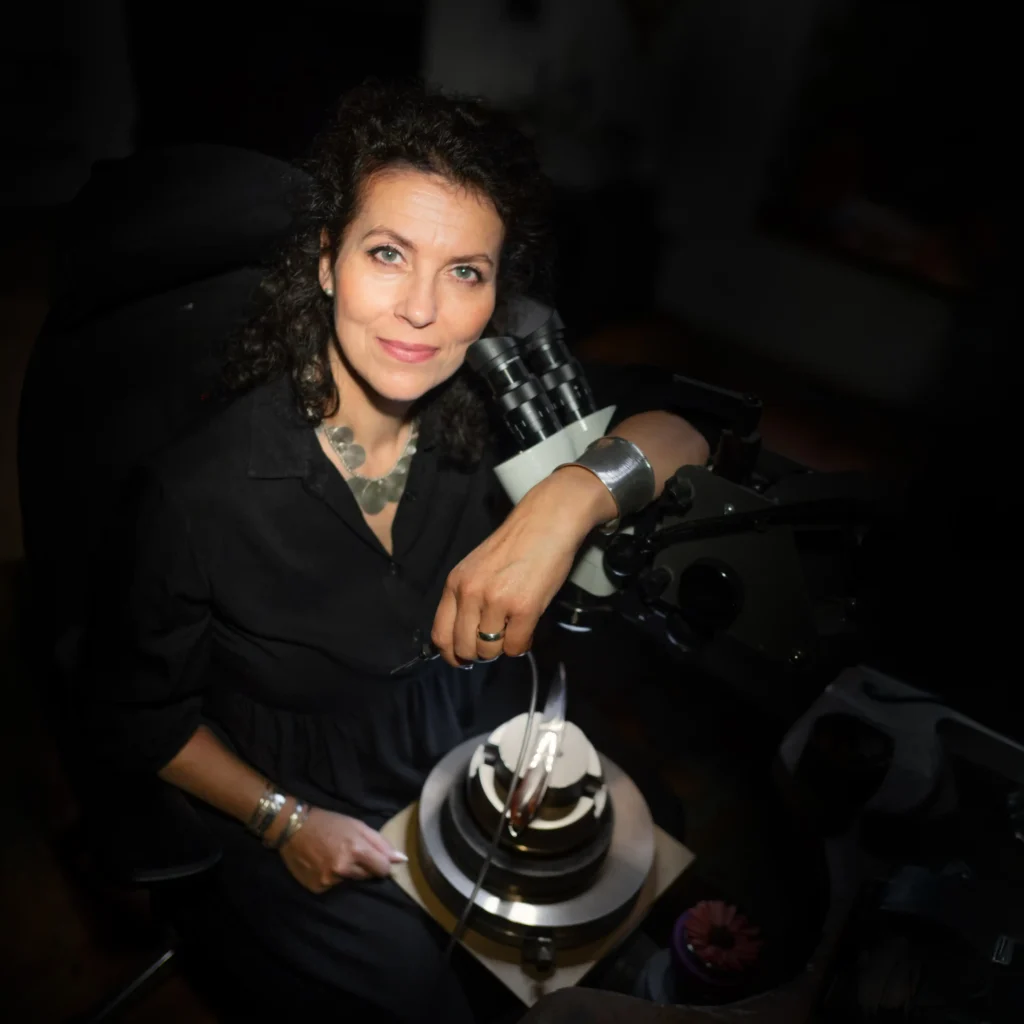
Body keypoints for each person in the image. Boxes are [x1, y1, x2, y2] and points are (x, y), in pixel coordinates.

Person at [79, 81, 712, 1023]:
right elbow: (139, 718)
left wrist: (566, 500)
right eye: (389, 254)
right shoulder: (200, 492)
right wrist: (284, 823)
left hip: (468, 735)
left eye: (465, 272)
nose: (423, 309)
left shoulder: (498, 416)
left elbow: (687, 432)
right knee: (420, 995)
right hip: (308, 785)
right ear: (327, 263)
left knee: (646, 858)